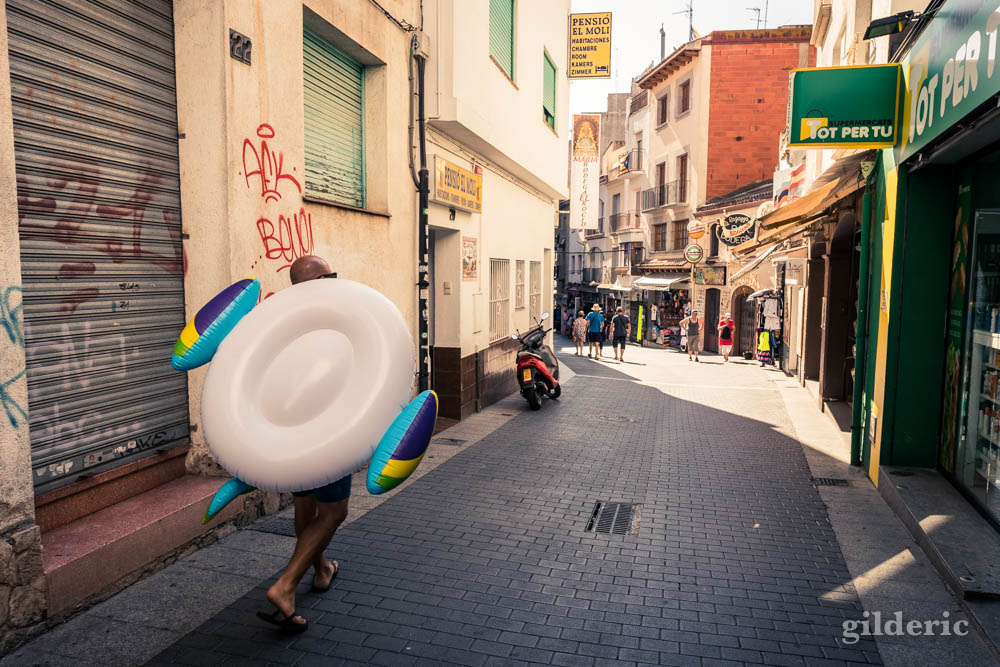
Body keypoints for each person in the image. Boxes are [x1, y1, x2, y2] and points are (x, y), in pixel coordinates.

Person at [258, 255, 347, 633]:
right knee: (333, 513)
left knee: (305, 506)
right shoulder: (332, 320)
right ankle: (286, 585)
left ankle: (322, 568)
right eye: (333, 275)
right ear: (322, 280)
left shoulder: (282, 322)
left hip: (290, 429)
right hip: (324, 431)